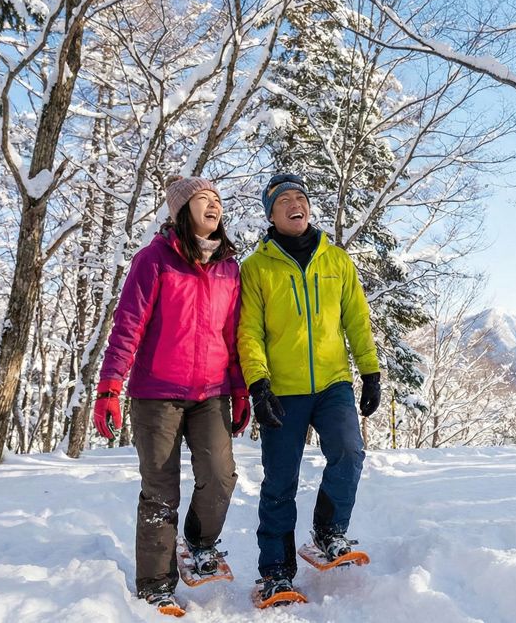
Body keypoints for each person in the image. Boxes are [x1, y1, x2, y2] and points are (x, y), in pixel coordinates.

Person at [94, 175, 252, 613]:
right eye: (204, 199)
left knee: (221, 476)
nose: (214, 205)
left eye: (218, 199)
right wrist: (110, 386)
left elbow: (234, 334)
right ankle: (155, 583)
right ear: (182, 211)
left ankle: (200, 544)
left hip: (213, 391)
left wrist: (240, 389)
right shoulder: (154, 260)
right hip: (157, 393)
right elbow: (128, 325)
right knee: (160, 489)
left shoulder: (229, 267)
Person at [237, 173, 382, 601]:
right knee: (279, 481)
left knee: (349, 450)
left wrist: (370, 371)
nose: (295, 203)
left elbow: (356, 318)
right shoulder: (256, 268)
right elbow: (249, 332)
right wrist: (258, 385)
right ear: (271, 214)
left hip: (333, 381)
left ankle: (328, 532)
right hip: (281, 389)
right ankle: (276, 573)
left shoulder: (336, 260)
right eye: (284, 200)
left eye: (301, 196)